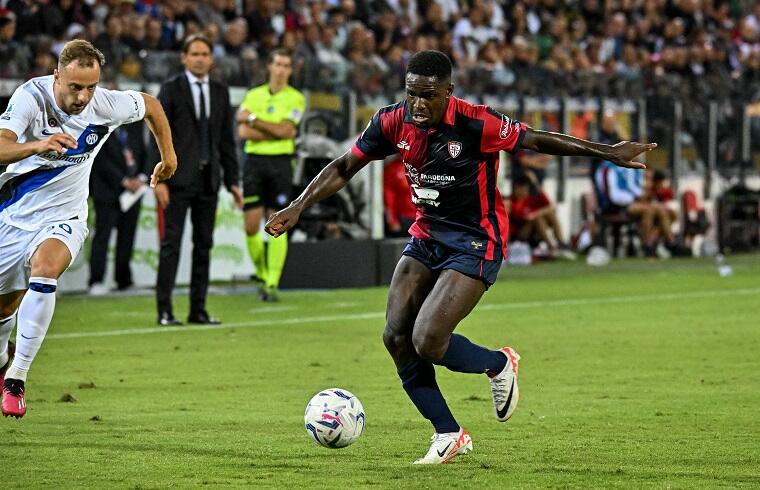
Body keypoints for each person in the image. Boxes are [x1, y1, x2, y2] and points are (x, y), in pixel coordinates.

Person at [265, 50, 655, 464]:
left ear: (448, 92)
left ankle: (497, 363)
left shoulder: (477, 122)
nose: (418, 103)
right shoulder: (391, 121)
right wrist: (299, 205)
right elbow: (344, 167)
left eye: (428, 95)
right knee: (395, 336)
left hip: (476, 240)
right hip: (427, 237)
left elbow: (536, 139)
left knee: (428, 340)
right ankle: (449, 434)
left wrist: (607, 152)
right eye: (412, 93)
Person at [0, 39, 177, 418]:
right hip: (12, 215)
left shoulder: (105, 104)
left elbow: (151, 105)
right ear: (57, 75)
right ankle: (4, 361)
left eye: (91, 87)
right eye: (75, 87)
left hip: (64, 216)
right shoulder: (31, 97)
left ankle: (17, 377)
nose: (83, 97)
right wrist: (38, 146)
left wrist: (169, 158)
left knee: (46, 270)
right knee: (4, 309)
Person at [153, 34, 243, 327]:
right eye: (195, 53)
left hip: (208, 181)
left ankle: (198, 310)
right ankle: (165, 311)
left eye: (205, 53)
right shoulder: (170, 89)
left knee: (204, 246)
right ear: (184, 58)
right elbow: (156, 135)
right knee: (171, 245)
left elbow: (226, 140)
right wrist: (160, 179)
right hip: (177, 180)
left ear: (211, 58)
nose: (200, 58)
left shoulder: (220, 91)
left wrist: (232, 181)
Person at [236, 48, 305, 302]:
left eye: (286, 65)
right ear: (270, 66)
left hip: (280, 164)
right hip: (254, 162)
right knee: (251, 225)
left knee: (277, 222)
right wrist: (272, 130)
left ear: (290, 70)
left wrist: (254, 119)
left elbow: (288, 132)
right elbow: (243, 134)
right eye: (278, 64)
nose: (281, 69)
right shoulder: (253, 94)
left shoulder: (296, 98)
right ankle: (261, 273)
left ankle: (272, 282)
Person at [88, 120, 149, 295]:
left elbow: (144, 153)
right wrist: (123, 180)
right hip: (107, 192)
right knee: (102, 237)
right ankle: (96, 281)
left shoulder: (132, 128)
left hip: (132, 195)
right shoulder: (99, 130)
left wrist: (141, 178)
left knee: (127, 237)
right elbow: (100, 161)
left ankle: (124, 280)